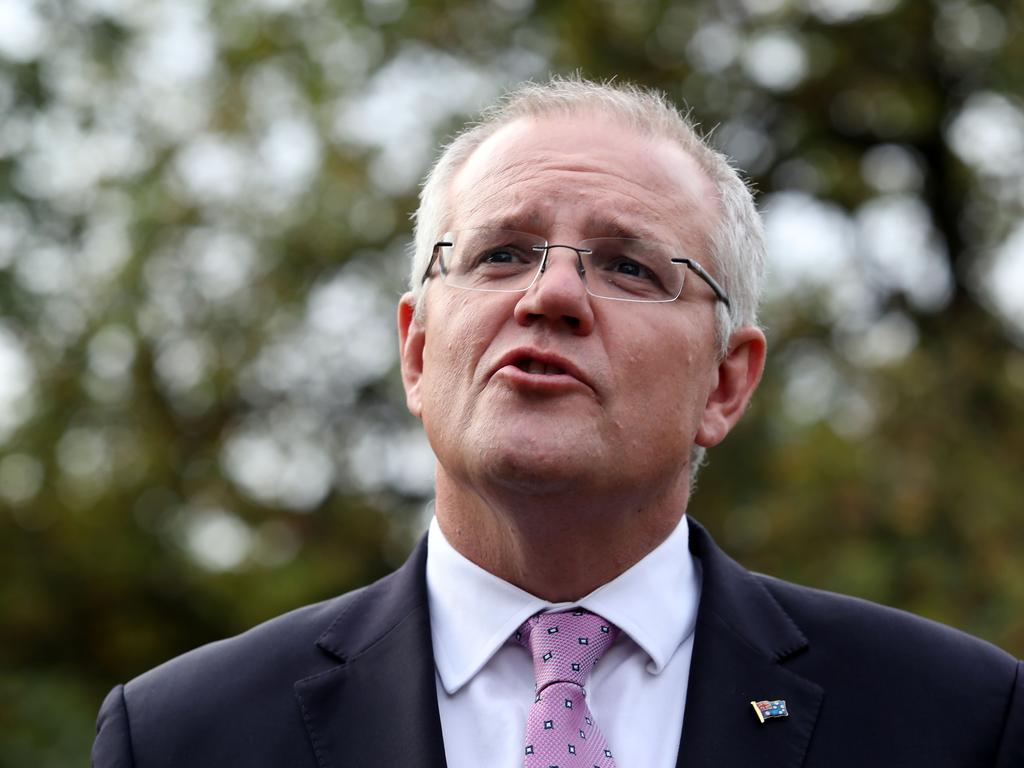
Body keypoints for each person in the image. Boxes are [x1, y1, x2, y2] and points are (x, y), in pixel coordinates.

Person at [92, 77, 1023, 767]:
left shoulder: (957, 719)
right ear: (417, 352)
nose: (552, 295)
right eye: (501, 253)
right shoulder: (183, 735)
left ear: (726, 384)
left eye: (628, 267)